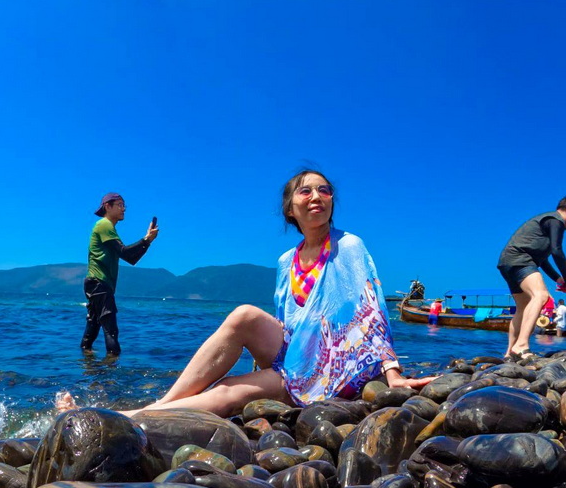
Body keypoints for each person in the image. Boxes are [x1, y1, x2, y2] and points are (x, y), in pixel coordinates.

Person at [61, 171, 435, 418]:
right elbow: (286, 322)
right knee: (242, 315)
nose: (317, 195)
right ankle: (159, 406)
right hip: (295, 357)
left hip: (333, 368)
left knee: (228, 391)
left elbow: (370, 313)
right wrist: (264, 371)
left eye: (325, 190)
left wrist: (393, 374)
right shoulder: (286, 260)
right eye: (306, 190)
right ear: (291, 208)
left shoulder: (348, 246)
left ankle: (129, 418)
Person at [80, 193, 159, 355]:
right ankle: (111, 375)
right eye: (120, 205)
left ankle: (87, 365)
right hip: (99, 284)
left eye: (124, 206)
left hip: (97, 283)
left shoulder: (108, 227)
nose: (123, 209)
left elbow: (131, 258)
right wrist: (146, 240)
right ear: (107, 207)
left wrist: (147, 241)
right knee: (111, 330)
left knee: (93, 327)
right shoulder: (104, 225)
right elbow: (125, 253)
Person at [497, 197, 566, 360]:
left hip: (508, 261)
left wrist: (558, 278)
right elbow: (557, 251)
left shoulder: (547, 225)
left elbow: (543, 261)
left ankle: (509, 353)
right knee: (540, 295)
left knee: (523, 306)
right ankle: (522, 345)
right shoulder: (556, 221)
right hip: (520, 259)